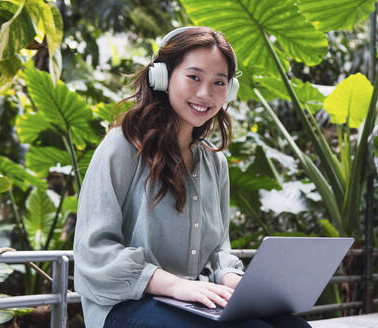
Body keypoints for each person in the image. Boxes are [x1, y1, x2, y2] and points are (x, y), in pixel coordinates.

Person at [73, 26, 311, 328]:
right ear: (162, 77)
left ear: (230, 90)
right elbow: (94, 251)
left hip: (191, 300)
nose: (205, 94)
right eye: (194, 77)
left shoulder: (215, 163)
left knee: (293, 326)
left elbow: (218, 248)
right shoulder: (121, 145)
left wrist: (230, 278)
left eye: (219, 82)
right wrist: (176, 286)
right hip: (124, 305)